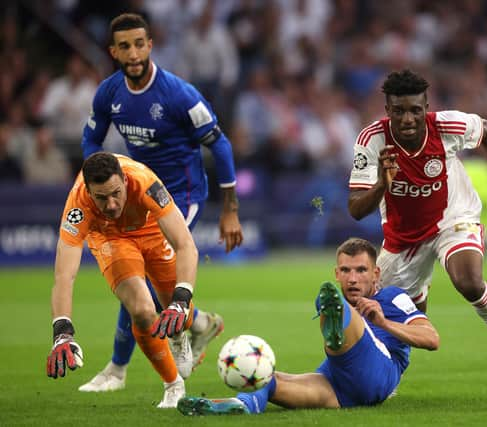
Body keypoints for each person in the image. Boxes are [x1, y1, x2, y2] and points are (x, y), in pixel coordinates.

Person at [347, 69, 487, 386]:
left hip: (453, 217)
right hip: (403, 240)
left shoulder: (446, 125)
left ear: (426, 107)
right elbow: (355, 208)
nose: (408, 119)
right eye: (399, 111)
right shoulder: (371, 140)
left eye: (415, 110)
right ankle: (385, 380)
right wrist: (381, 184)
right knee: (392, 317)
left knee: (469, 281)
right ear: (387, 110)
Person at [79, 13, 244, 392]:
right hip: (135, 195)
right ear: (113, 51)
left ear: (150, 45)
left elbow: (219, 143)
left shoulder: (178, 94)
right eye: (125, 46)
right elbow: (92, 139)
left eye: (140, 43)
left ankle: (120, 368)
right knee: (135, 278)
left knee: (141, 280)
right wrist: (96, 174)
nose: (133, 53)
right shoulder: (108, 93)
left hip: (180, 195)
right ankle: (199, 323)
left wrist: (230, 209)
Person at [176, 237, 440, 415]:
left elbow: (431, 339)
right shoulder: (344, 298)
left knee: (335, 301)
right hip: (336, 386)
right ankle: (235, 406)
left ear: (376, 274)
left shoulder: (392, 297)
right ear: (337, 273)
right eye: (346, 271)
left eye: (361, 270)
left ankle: (338, 336)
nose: (352, 279)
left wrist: (384, 323)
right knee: (266, 376)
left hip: (379, 375)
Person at [46, 152, 203, 408]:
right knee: (142, 310)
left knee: (176, 310)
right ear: (88, 190)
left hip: (151, 229)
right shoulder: (77, 205)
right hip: (110, 238)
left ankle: (179, 335)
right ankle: (173, 385)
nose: (110, 204)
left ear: (125, 180)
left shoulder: (145, 182)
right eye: (101, 197)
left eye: (116, 193)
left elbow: (186, 245)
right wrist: (61, 331)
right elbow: (64, 275)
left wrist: (182, 298)